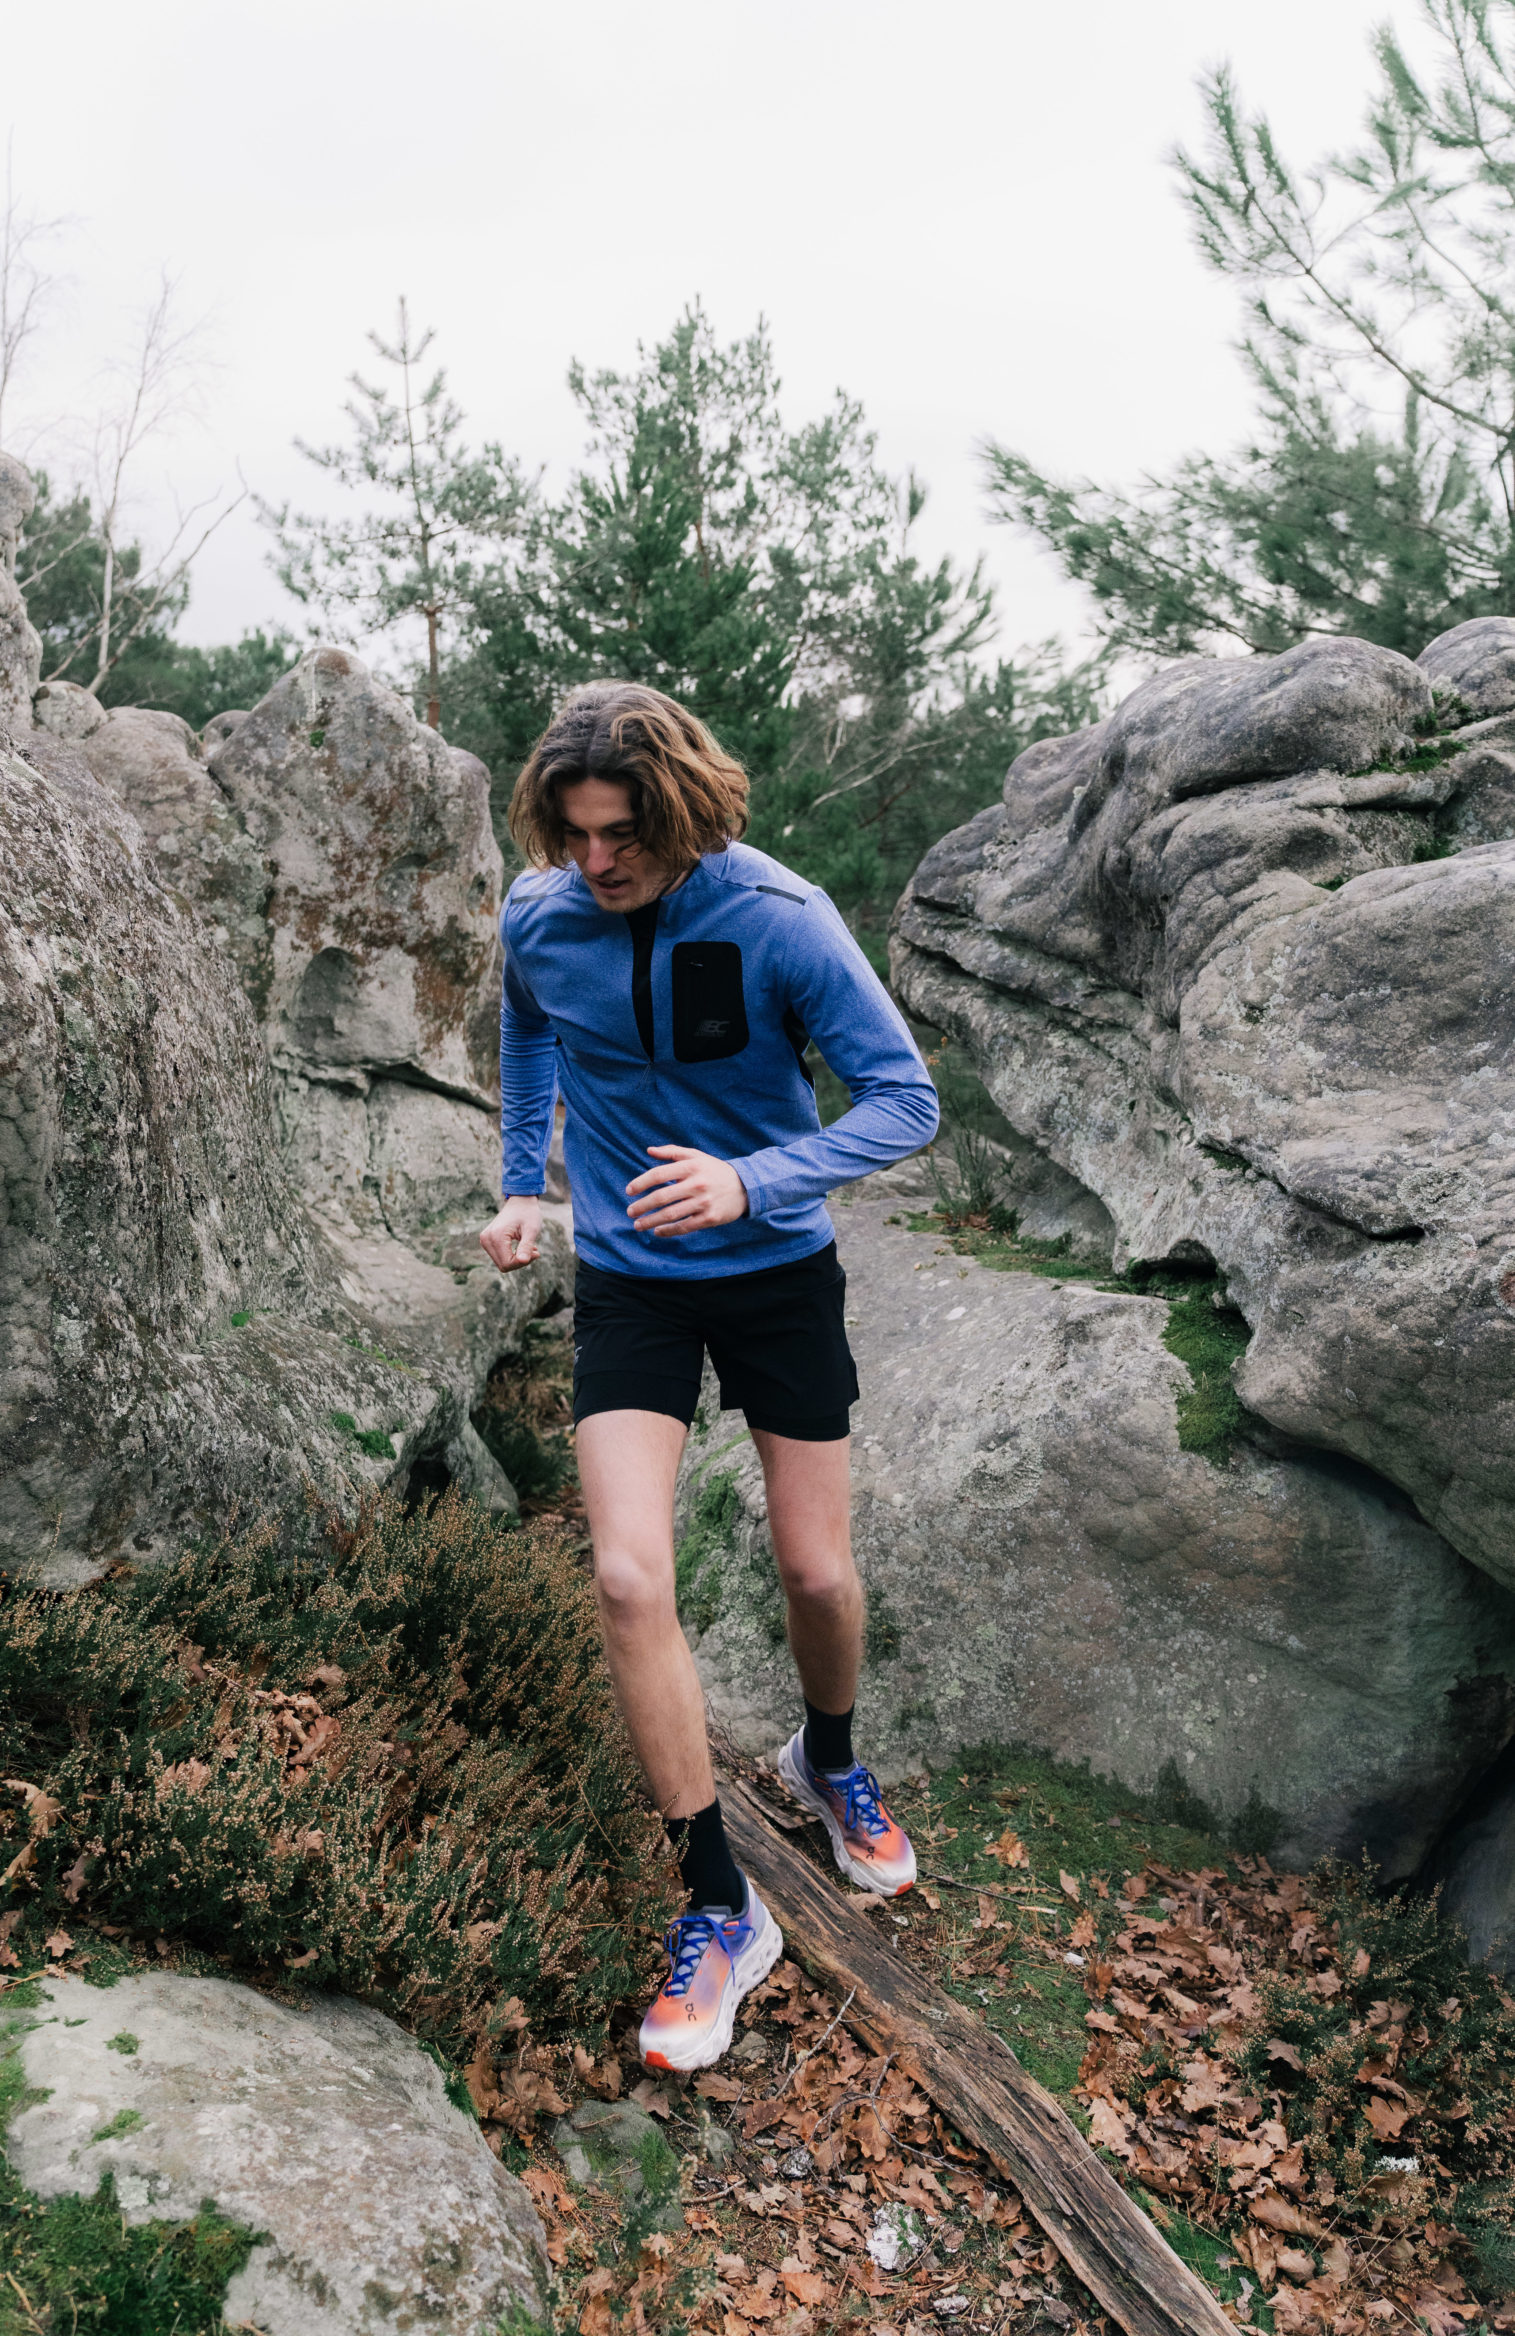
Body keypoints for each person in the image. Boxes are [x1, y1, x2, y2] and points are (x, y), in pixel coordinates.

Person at [480, 683, 939, 2072]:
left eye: (620, 836)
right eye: (573, 835)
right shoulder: (540, 913)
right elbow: (529, 1027)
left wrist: (754, 1180)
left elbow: (906, 1100)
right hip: (631, 1278)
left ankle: (828, 1759)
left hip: (776, 1267)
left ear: (679, 817)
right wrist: (521, 1180)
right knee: (628, 1577)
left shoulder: (780, 919)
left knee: (816, 1573)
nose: (594, 863)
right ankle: (720, 1904)